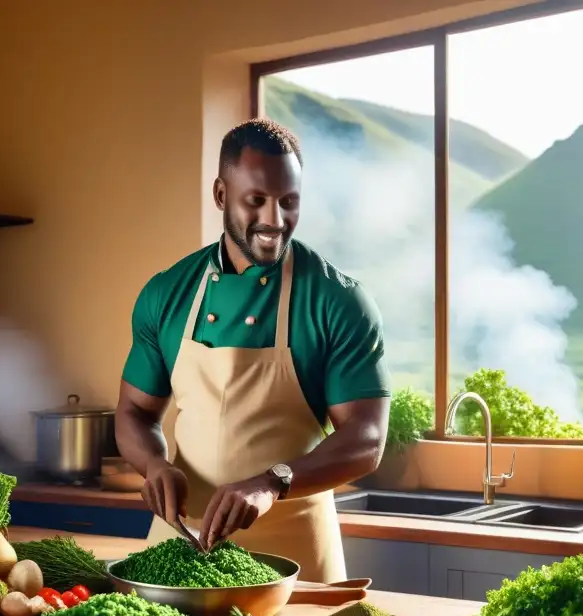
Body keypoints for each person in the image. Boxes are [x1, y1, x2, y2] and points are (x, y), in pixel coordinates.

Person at [114, 117, 390, 582]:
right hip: (181, 555)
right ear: (221, 195)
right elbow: (134, 414)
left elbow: (366, 438)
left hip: (296, 558)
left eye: (288, 202)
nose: (274, 221)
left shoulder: (337, 301)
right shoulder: (166, 294)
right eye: (256, 201)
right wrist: (154, 464)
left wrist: (272, 481)